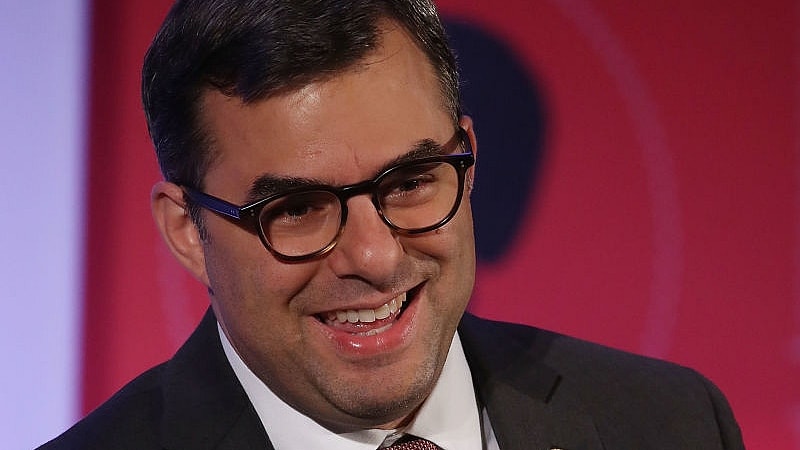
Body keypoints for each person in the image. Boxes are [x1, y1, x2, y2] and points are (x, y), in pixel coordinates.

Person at [40, 0, 745, 449]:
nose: (374, 257)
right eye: (296, 209)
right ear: (188, 231)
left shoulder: (671, 423)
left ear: (468, 159)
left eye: (408, 182)